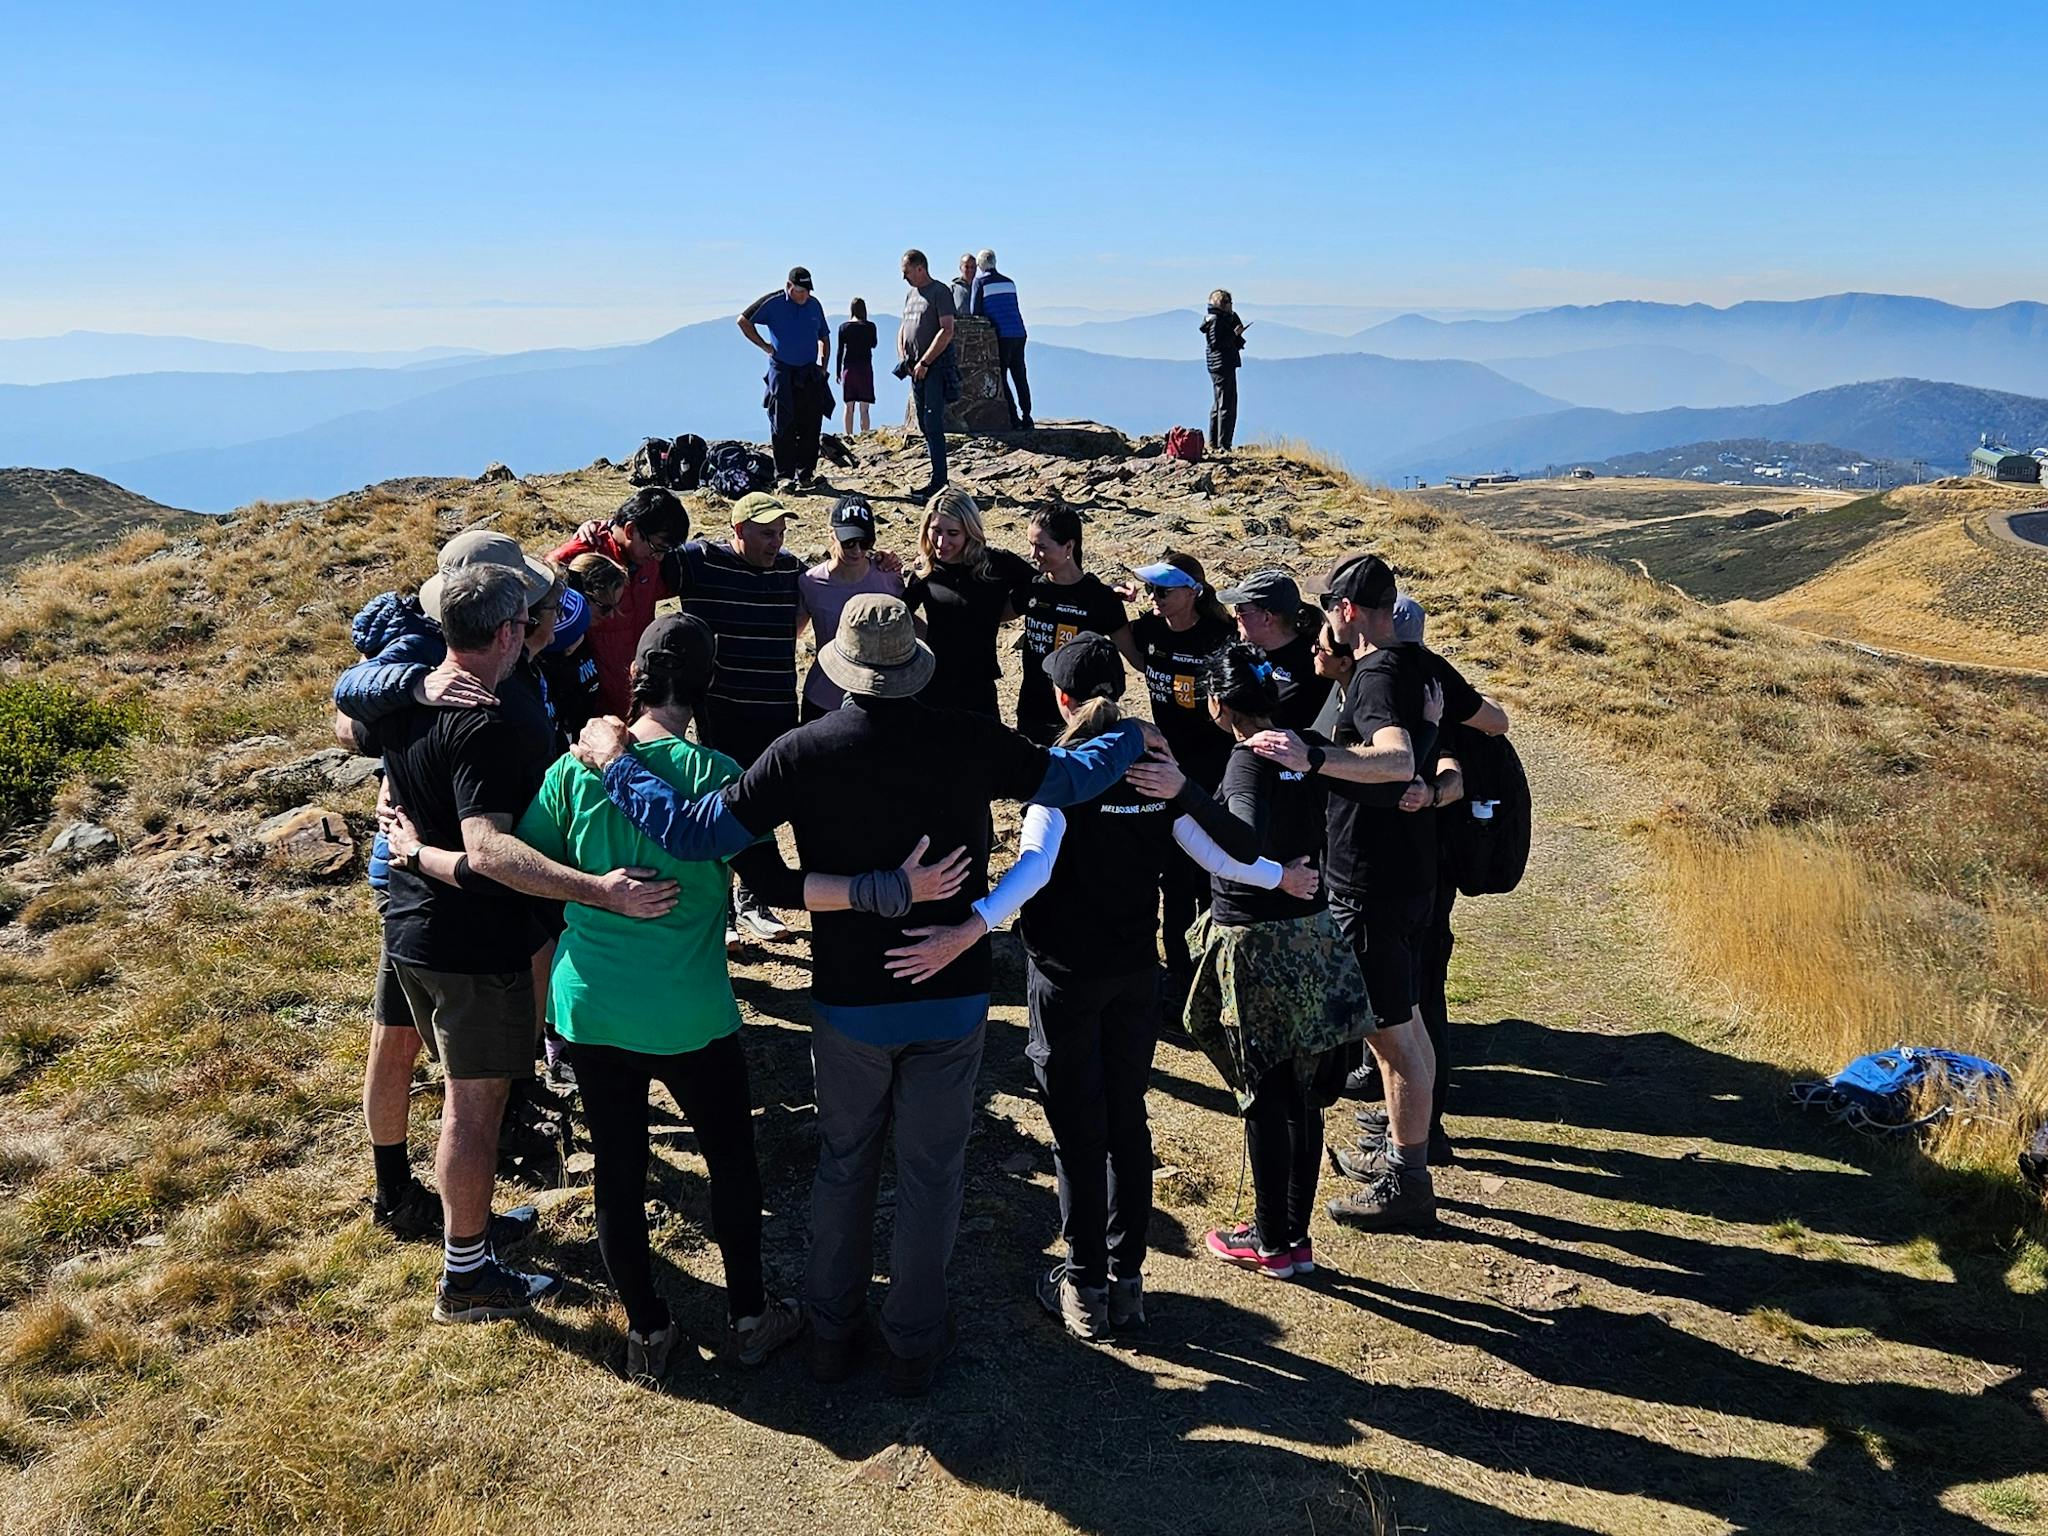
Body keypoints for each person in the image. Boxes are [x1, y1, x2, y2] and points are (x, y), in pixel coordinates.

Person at [573, 593, 1151, 1396]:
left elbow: (696, 833)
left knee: (845, 1166)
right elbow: (1071, 776)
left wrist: (615, 764)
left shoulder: (800, 752)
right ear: (915, 662)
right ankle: (914, 1341)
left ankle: (830, 1333)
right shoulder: (968, 738)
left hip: (849, 1000)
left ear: (840, 667)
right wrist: (1127, 729)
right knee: (931, 1173)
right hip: (950, 994)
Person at [884, 634, 1315, 1339]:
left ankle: (1083, 1286)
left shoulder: (1059, 778)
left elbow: (1034, 870)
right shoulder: (1155, 773)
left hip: (1064, 981)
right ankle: (1129, 1281)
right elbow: (1218, 856)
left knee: (1076, 1134)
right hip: (1134, 978)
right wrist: (1283, 877)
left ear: (1059, 699)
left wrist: (972, 927)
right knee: (1127, 1124)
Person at [345, 563, 614, 1324]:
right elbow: (491, 851)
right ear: (505, 632)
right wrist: (597, 890)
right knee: (473, 1104)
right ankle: (467, 1276)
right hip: (472, 939)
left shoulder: (409, 692)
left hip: (407, 922)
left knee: (391, 1050)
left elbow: (353, 718)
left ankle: (421, 1204)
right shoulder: (489, 719)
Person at [1127, 643, 1367, 1280]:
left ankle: (1267, 1240)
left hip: (1257, 943)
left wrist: (1184, 792)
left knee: (1264, 1092)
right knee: (1306, 1095)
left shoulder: (1245, 760)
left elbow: (1244, 837)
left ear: (1216, 704)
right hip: (1312, 935)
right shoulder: (1298, 748)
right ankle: (1295, 1238)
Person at [1248, 553, 1451, 1230]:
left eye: (1330, 608)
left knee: (1394, 1039)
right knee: (1407, 1027)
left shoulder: (1375, 676)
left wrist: (1311, 756)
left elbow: (1391, 760)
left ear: (1348, 612)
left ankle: (1408, 1181)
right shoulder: (1415, 664)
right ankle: (1402, 1153)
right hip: (1407, 878)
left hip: (1371, 884)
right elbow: (1420, 751)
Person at [1331, 596, 1510, 1173]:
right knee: (1400, 998)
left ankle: (1420, 1136)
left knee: (1416, 997)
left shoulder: (1419, 683)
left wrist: (1432, 781)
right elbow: (1494, 722)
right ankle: (1398, 1115)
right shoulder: (1417, 682)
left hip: (1412, 873)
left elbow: (1456, 766)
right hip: (1409, 870)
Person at [672, 492, 806, 945]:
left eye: (781, 533)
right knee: (724, 808)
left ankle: (753, 901)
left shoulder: (790, 569)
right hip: (722, 712)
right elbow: (640, 568)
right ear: (739, 530)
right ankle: (723, 909)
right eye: (767, 534)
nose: (777, 543)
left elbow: (825, 594)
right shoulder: (700, 561)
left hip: (779, 710)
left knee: (766, 807)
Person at [1119, 552, 1235, 1010]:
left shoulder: (1221, 638)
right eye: (1150, 590)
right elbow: (1132, 654)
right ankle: (1177, 977)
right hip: (1166, 767)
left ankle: (1214, 975)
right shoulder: (1148, 630)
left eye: (1163, 591)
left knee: (1210, 875)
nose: (1154, 598)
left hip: (1213, 771)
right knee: (1173, 880)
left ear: (1193, 592)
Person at [548, 488, 692, 717]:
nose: (660, 557)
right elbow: (543, 593)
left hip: (639, 698)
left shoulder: (647, 558)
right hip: (591, 706)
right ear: (631, 530)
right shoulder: (581, 554)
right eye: (658, 548)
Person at [900, 487, 1033, 718]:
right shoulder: (924, 570)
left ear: (970, 531)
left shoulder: (995, 564)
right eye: (936, 530)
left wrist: (1003, 612)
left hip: (979, 687)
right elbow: (898, 615)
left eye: (953, 533)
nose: (942, 542)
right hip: (932, 685)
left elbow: (1041, 585)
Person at [1015, 507, 1138, 744]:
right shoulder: (1033, 588)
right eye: (1031, 544)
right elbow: (989, 616)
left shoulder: (1101, 600)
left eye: (1041, 547)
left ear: (1069, 547)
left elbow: (1134, 657)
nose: (1033, 554)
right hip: (1032, 712)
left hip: (1082, 721)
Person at [797, 496, 905, 720]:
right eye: (848, 542)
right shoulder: (810, 583)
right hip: (824, 699)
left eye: (864, 543)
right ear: (831, 534)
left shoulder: (889, 576)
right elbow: (791, 635)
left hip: (879, 698)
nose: (857, 551)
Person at [738, 266, 834, 491]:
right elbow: (743, 321)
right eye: (800, 290)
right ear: (789, 286)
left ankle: (806, 474)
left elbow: (824, 337)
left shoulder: (814, 305)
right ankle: (784, 477)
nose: (805, 295)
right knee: (783, 424)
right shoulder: (773, 303)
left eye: (808, 290)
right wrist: (765, 346)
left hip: (809, 371)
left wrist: (823, 366)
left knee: (811, 423)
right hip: (782, 371)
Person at [1216, 568, 1322, 732]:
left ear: (1267, 618)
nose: (1236, 616)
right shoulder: (1245, 651)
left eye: (1241, 610)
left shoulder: (1312, 664)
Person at [898, 249, 959, 500]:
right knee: (924, 424)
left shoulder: (940, 292)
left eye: (907, 272)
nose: (904, 277)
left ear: (920, 268)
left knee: (933, 423)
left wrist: (925, 361)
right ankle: (935, 477)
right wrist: (904, 356)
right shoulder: (911, 294)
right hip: (915, 368)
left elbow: (947, 330)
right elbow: (904, 328)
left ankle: (939, 482)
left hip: (934, 368)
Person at [968, 248, 1031, 430]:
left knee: (1002, 378)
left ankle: (1013, 418)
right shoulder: (1009, 282)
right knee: (1020, 376)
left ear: (980, 265)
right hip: (1019, 332)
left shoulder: (980, 282)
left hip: (1002, 335)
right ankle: (1027, 415)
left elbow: (975, 312)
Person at [1201, 289, 1248, 454]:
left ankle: (1215, 442)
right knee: (1227, 403)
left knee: (1219, 403)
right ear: (1223, 304)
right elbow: (1216, 344)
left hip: (1219, 364)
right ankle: (1223, 444)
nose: (1231, 307)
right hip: (1222, 364)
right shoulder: (1216, 321)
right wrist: (1234, 336)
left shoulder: (1216, 319)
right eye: (1229, 303)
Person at [836, 297, 879, 436]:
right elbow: (874, 344)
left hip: (849, 368)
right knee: (864, 408)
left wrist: (838, 372)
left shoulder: (844, 327)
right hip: (865, 368)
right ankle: (865, 435)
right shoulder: (870, 326)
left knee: (849, 407)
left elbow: (840, 351)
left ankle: (849, 435)